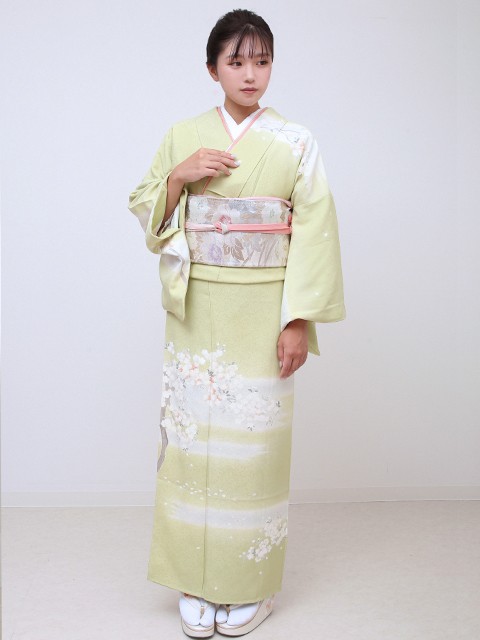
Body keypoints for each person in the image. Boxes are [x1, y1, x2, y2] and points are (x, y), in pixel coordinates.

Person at [127, 8, 346, 638]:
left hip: (264, 308)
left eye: (262, 61)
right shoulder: (183, 135)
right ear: (212, 69)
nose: (251, 74)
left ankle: (251, 584)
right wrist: (179, 176)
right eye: (237, 61)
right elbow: (145, 207)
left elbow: (315, 232)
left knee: (254, 448)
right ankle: (194, 580)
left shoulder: (296, 142)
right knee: (193, 446)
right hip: (197, 312)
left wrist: (297, 321)